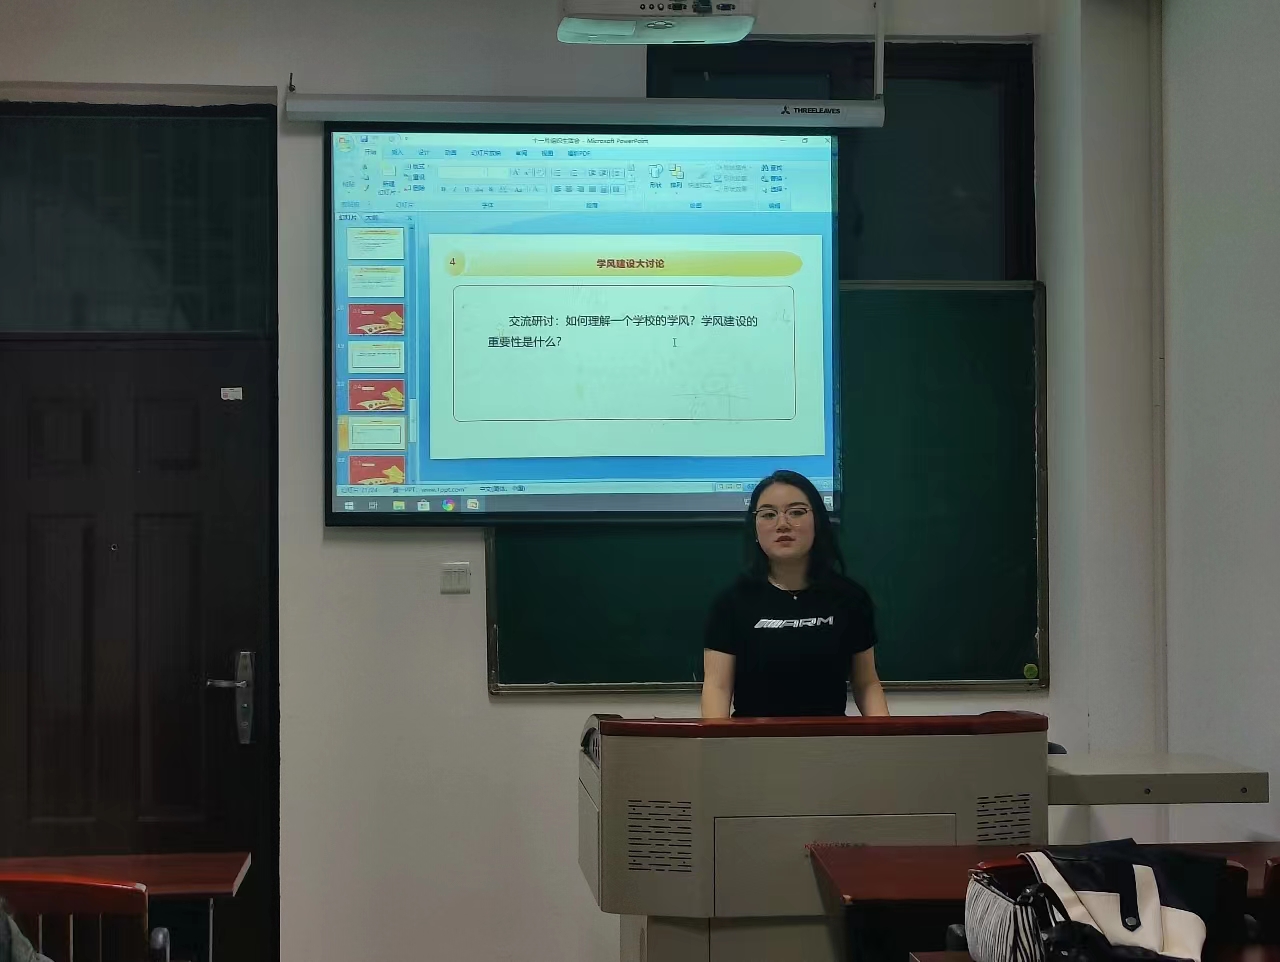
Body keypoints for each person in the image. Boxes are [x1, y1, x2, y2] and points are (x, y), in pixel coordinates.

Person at [701, 470, 889, 719]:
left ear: (817, 521)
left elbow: (866, 684)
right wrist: (717, 741)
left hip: (830, 738)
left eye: (796, 512)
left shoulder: (850, 598)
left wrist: (885, 736)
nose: (782, 524)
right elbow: (717, 687)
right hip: (752, 739)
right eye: (768, 514)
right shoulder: (732, 603)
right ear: (755, 528)